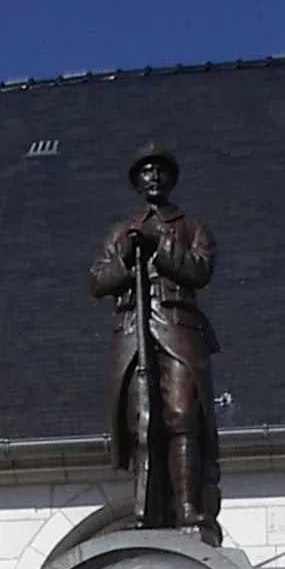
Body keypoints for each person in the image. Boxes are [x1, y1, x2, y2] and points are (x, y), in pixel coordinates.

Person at [89, 144, 221, 540]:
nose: (153, 178)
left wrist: (159, 243)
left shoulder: (192, 227)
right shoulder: (119, 232)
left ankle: (187, 510)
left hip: (177, 328)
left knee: (181, 415)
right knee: (143, 424)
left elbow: (199, 269)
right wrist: (126, 258)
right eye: (145, 172)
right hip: (134, 332)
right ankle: (146, 513)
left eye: (160, 171)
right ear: (136, 180)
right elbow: (97, 281)